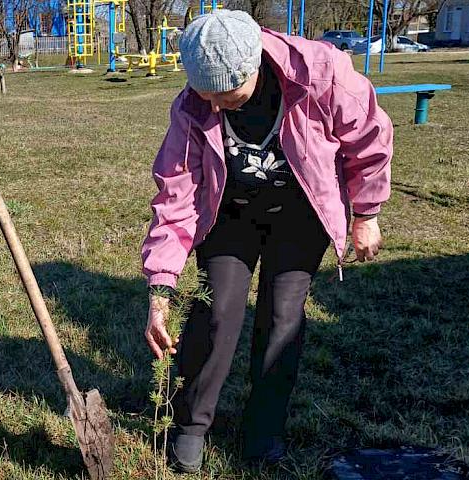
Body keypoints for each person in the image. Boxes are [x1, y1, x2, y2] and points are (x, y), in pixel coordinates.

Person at [141, 9, 393, 473]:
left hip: (301, 213)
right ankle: (193, 424)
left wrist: (367, 213)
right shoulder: (193, 108)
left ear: (252, 67)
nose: (215, 107)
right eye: (205, 95)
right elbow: (175, 195)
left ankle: (264, 427)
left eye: (227, 96)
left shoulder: (322, 73)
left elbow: (370, 139)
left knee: (282, 316)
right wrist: (160, 287)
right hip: (230, 212)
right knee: (216, 310)